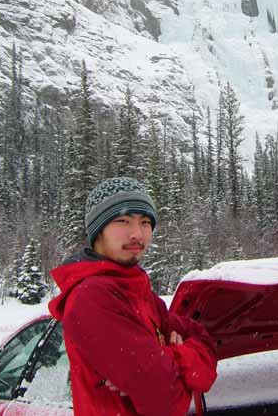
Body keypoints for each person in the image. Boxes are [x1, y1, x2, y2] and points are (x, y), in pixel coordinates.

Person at [49, 177, 217, 416]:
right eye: (123, 221)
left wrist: (171, 357)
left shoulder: (139, 293)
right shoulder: (91, 298)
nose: (137, 233)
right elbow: (166, 401)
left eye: (145, 222)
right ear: (98, 231)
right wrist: (180, 363)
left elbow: (205, 346)